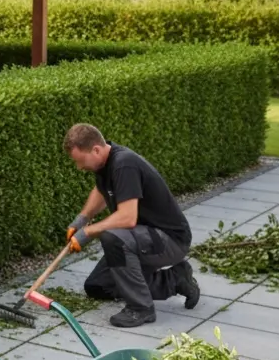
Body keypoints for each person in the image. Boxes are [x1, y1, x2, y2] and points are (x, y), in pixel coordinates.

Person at [63, 124, 200, 328]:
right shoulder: (105, 165)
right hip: (143, 239)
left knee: (113, 237)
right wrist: (82, 219)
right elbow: (101, 191)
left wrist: (88, 232)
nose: (79, 167)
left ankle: (141, 309)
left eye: (80, 161)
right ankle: (176, 279)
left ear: (96, 150)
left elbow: (127, 218)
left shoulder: (124, 164)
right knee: (98, 287)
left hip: (169, 240)